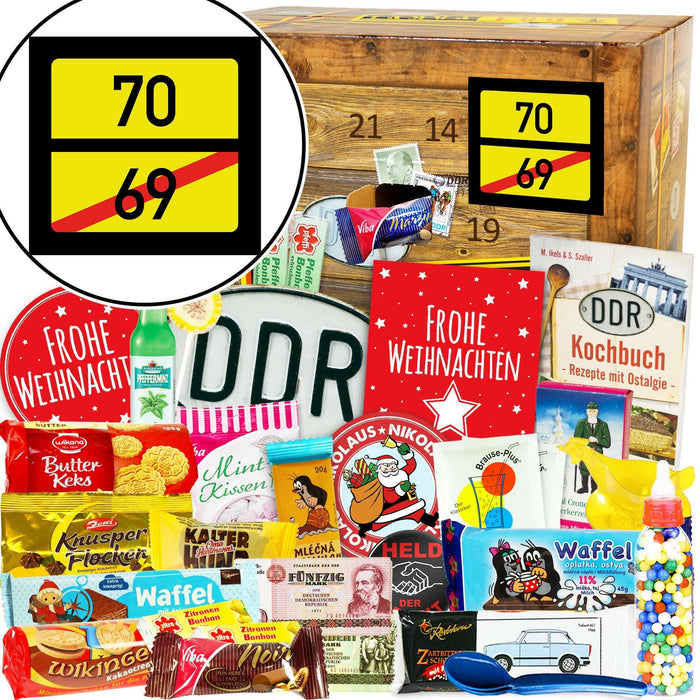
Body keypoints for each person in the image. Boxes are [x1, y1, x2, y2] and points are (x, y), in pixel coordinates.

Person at [573, 401, 611, 494]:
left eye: (594, 411)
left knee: (595, 471)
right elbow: (576, 439)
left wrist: (597, 440)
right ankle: (584, 487)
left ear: (597, 412)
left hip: (597, 453)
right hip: (585, 452)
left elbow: (607, 443)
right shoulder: (581, 423)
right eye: (590, 411)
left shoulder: (603, 425)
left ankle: (594, 489)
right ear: (587, 411)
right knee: (584, 470)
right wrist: (586, 441)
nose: (592, 413)